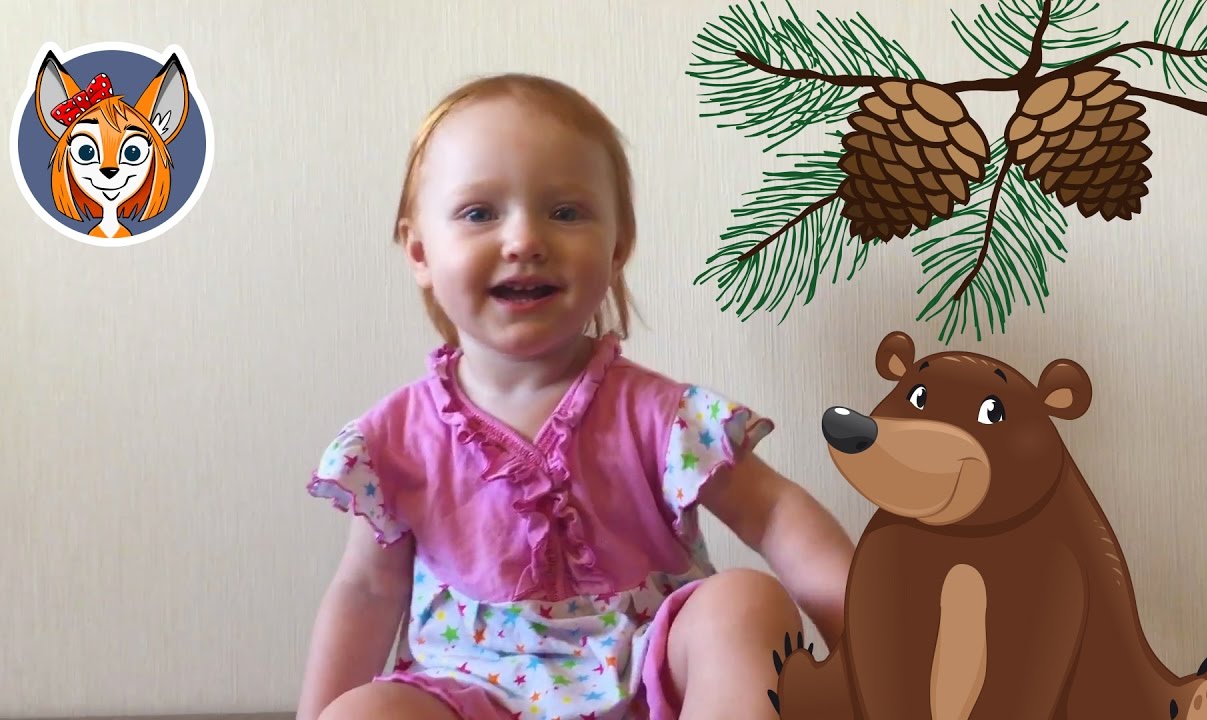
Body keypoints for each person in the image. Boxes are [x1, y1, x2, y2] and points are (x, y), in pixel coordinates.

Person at [295, 72, 855, 720]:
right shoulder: (395, 440)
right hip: (467, 697)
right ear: (420, 251)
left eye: (565, 213)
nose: (524, 241)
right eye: (479, 213)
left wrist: (869, 643)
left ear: (617, 250)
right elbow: (366, 590)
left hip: (652, 685)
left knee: (745, 602)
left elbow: (775, 513)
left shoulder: (663, 418)